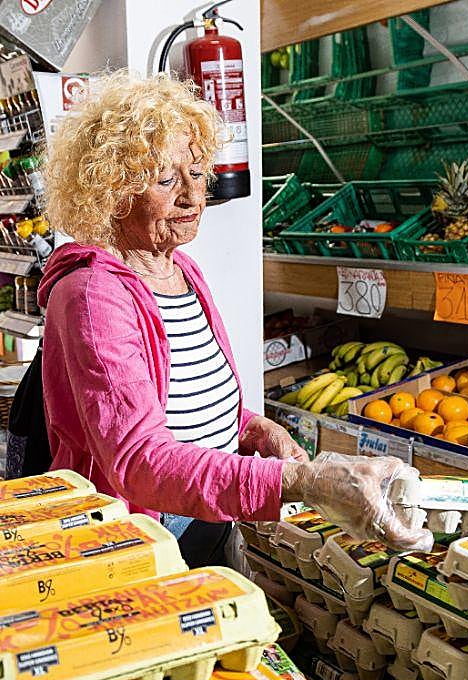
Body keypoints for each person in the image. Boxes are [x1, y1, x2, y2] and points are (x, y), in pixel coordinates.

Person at [37, 71, 431, 564]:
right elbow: (138, 462)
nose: (192, 196)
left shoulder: (181, 270)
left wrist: (250, 428)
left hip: (209, 513)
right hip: (141, 536)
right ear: (110, 188)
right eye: (165, 179)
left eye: (198, 173)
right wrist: (300, 481)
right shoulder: (94, 295)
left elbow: (180, 403)